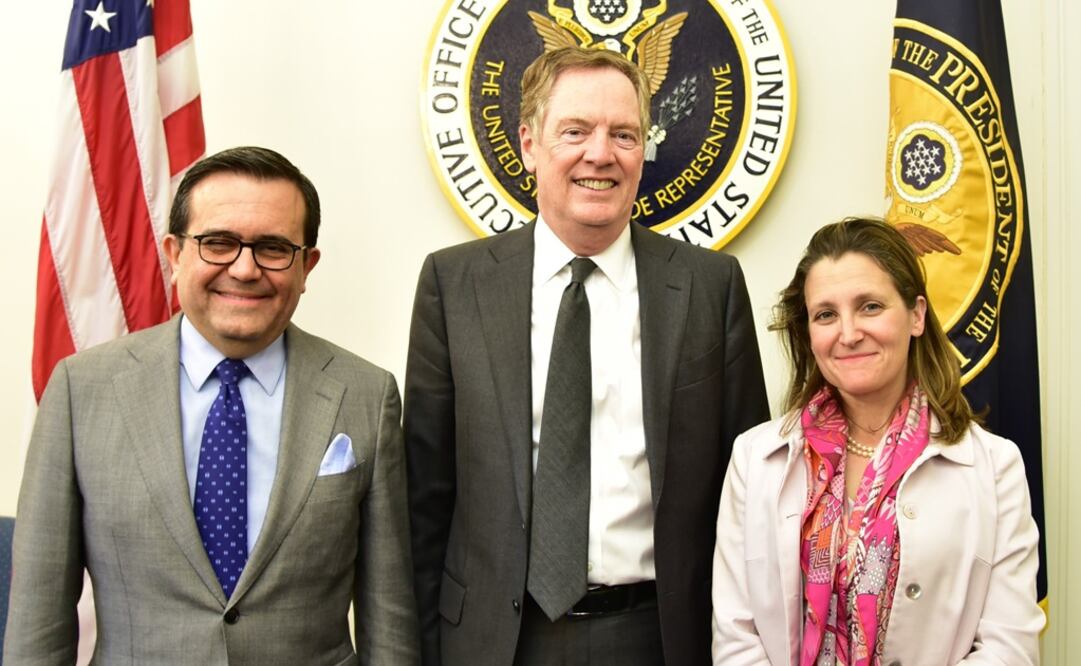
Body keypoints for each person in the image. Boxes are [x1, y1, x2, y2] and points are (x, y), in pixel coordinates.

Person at [405, 46, 769, 665]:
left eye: (623, 134)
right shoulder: (453, 285)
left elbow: (751, 489)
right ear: (528, 143)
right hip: (495, 642)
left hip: (661, 636)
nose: (600, 154)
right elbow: (424, 497)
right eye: (575, 131)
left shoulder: (711, 288)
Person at [4, 146, 420, 664]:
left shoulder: (365, 394)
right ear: (175, 254)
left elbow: (391, 618)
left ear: (307, 265)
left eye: (272, 248)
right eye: (218, 243)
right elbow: (37, 624)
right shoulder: (80, 390)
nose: (244, 270)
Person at [711, 217, 1044, 665]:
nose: (848, 334)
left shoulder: (996, 466)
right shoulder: (755, 460)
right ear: (809, 333)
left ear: (917, 315)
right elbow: (736, 638)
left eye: (870, 306)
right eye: (826, 314)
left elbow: (1010, 648)